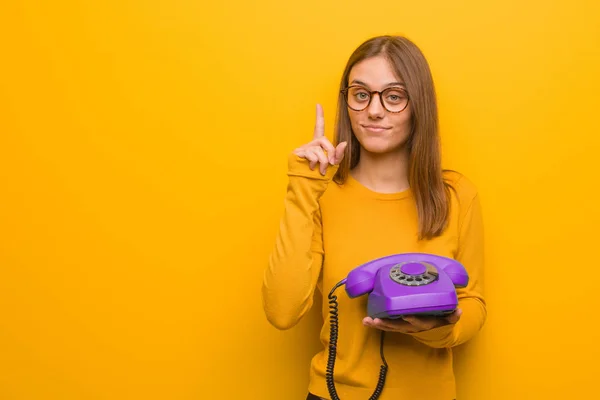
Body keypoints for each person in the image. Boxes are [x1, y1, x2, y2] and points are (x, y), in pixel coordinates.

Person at [261, 35, 487, 400]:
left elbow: (473, 302)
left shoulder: (456, 195)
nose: (374, 110)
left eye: (393, 96)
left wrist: (432, 328)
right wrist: (302, 187)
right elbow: (282, 313)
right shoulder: (322, 194)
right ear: (347, 101)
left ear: (419, 105)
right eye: (361, 94)